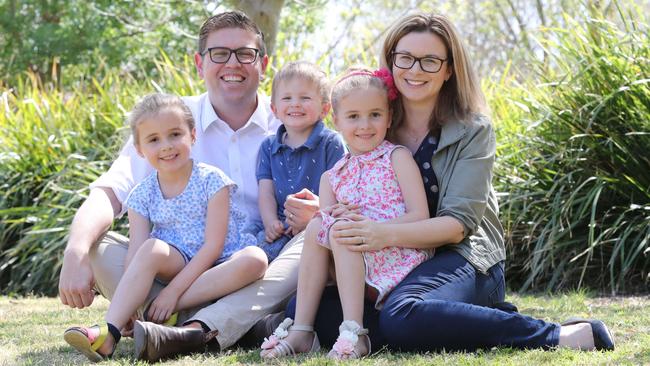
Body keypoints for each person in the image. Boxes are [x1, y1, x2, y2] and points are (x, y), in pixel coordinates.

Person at [283, 12, 615, 352]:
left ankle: (557, 335)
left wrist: (379, 233)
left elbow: (458, 225)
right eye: (406, 58)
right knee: (307, 310)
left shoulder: (472, 130)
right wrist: (325, 213)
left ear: (449, 69)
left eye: (429, 61)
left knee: (400, 317)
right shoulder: (374, 122)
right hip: (390, 260)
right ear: (392, 61)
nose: (415, 70)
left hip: (462, 257)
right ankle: (459, 318)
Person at [57, 11, 320, 362]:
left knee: (317, 236)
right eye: (218, 53)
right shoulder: (171, 122)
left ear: (263, 63)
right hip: (177, 265)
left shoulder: (292, 120)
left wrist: (318, 211)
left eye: (245, 53)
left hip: (255, 266)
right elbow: (108, 193)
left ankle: (187, 326)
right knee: (98, 247)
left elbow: (342, 189)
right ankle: (236, 323)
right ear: (200, 62)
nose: (233, 63)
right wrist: (74, 252)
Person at [63, 93, 268, 361]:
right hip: (177, 260)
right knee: (150, 248)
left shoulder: (213, 181)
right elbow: (136, 257)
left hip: (219, 264)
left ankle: (169, 309)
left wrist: (172, 293)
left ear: (192, 136)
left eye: (175, 135)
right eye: (153, 140)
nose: (166, 146)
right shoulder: (142, 194)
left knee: (256, 259)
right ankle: (109, 332)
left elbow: (213, 246)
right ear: (139, 150)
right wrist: (127, 305)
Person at [261, 68, 430, 360]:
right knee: (319, 226)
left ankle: (355, 332)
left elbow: (420, 216)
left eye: (375, 115)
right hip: (350, 270)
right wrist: (330, 219)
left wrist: (369, 227)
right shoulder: (332, 176)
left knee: (340, 227)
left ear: (389, 117)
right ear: (336, 121)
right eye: (353, 116)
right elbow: (321, 242)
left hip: (395, 256)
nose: (365, 125)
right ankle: (302, 330)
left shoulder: (397, 158)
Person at [251, 61, 345, 263]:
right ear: (274, 109)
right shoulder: (268, 146)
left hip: (317, 231)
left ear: (325, 108)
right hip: (279, 229)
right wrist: (270, 222)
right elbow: (266, 192)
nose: (295, 104)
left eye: (305, 98)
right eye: (287, 98)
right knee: (252, 258)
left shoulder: (331, 143)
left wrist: (317, 217)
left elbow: (342, 194)